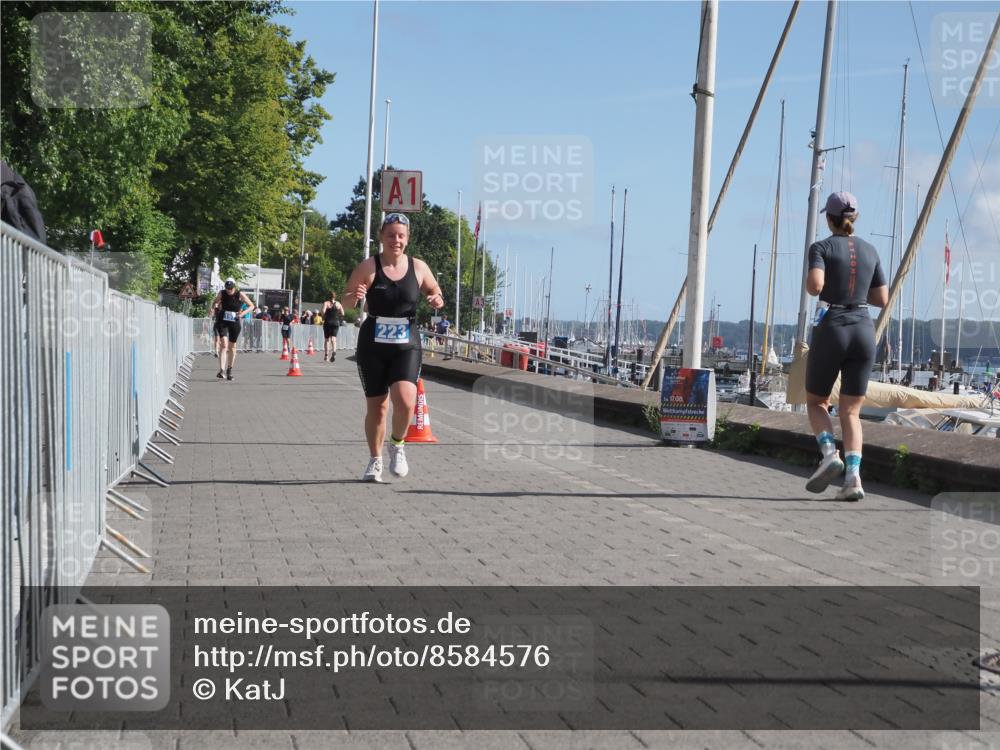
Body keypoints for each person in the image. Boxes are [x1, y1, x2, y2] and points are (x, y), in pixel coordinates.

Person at [344, 213, 445, 482]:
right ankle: (375, 460)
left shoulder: (418, 267)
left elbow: (435, 290)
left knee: (406, 399)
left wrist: (436, 298)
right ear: (381, 237)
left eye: (401, 235)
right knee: (377, 407)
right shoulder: (369, 266)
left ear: (407, 239)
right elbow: (346, 301)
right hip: (373, 344)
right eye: (391, 235)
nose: (396, 240)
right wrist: (355, 297)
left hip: (406, 343)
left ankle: (397, 444)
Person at [804, 192, 888, 501]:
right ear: (855, 218)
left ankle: (829, 454)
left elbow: (816, 286)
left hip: (833, 328)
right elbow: (881, 299)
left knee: (817, 401)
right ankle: (853, 477)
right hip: (864, 330)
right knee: (851, 412)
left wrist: (819, 280)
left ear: (829, 219)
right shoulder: (870, 250)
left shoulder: (821, 247)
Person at [211, 277, 255, 380]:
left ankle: (229, 369)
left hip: (234, 321)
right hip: (223, 321)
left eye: (230, 288)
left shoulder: (240, 294)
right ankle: (221, 370)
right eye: (227, 288)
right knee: (224, 344)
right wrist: (214, 308)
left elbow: (252, 306)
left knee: (232, 347)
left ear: (234, 287)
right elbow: (215, 302)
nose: (229, 290)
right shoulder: (222, 293)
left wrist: (242, 314)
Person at [321, 291, 345, 362]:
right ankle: (334, 352)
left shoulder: (326, 303)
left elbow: (323, 312)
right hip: (336, 322)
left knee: (327, 339)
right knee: (333, 339)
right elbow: (343, 313)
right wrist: (337, 315)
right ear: (335, 296)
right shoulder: (338, 303)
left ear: (329, 296)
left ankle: (326, 356)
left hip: (328, 322)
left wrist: (324, 315)